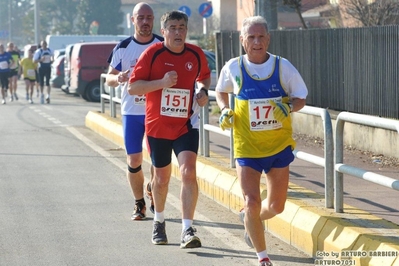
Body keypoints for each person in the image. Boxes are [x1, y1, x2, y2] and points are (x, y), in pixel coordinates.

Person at [215, 16, 308, 266]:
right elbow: (220, 90)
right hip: (247, 147)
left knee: (276, 207)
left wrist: (287, 106)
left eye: (261, 37)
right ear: (243, 40)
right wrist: (225, 110)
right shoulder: (233, 67)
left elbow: (301, 98)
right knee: (252, 201)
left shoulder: (282, 66)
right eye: (251, 37)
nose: (257, 42)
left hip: (278, 146)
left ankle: (248, 218)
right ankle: (263, 257)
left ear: (268, 39)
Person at [128, 10, 210, 248]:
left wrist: (203, 92)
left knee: (188, 173)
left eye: (182, 28)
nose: (178, 32)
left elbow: (203, 77)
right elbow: (133, 87)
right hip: (157, 127)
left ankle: (187, 229)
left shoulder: (195, 53)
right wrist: (161, 83)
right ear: (163, 32)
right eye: (172, 28)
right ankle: (159, 220)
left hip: (186, 125)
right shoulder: (152, 54)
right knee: (161, 179)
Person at [106, 2, 162, 221]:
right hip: (132, 112)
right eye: (141, 18)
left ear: (154, 20)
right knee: (134, 158)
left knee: (158, 160)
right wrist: (118, 77)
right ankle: (139, 203)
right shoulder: (123, 47)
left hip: (156, 111)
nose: (145, 22)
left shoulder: (161, 44)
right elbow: (108, 78)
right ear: (133, 20)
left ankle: (154, 192)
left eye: (149, 18)